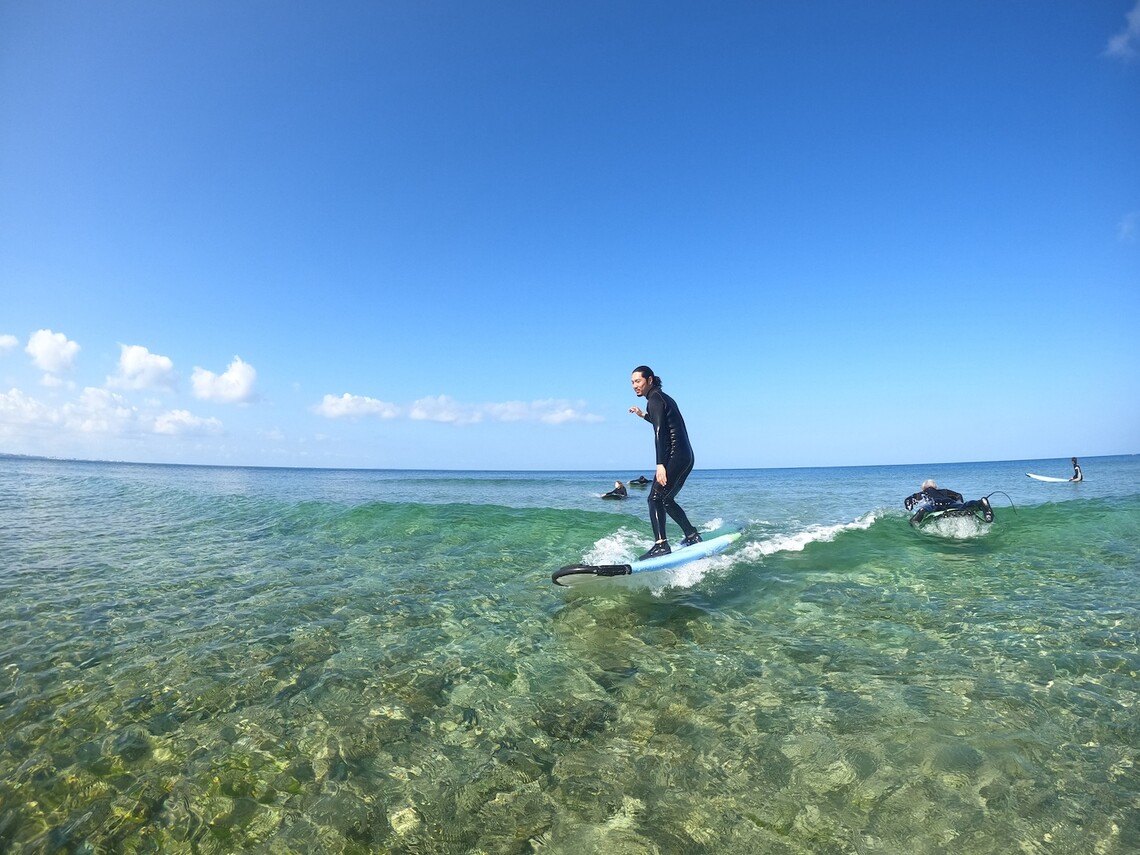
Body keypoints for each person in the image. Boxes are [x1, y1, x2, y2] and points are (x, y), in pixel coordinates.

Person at [628, 365, 701, 558]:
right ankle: (692, 534)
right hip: (686, 456)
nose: (635, 385)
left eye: (638, 381)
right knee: (666, 500)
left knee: (654, 498)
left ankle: (661, 545)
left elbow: (660, 433)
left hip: (675, 456)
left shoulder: (654, 399)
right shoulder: (662, 398)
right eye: (632, 382)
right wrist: (642, 415)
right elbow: (661, 423)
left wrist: (660, 464)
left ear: (649, 380)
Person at [904, 479, 993, 525]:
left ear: (923, 488)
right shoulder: (944, 491)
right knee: (964, 506)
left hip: (934, 503)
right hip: (949, 502)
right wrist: (960, 503)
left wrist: (909, 507)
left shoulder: (921, 494)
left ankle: (921, 512)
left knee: (927, 508)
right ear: (935, 487)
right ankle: (980, 503)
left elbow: (908, 500)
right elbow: (958, 495)